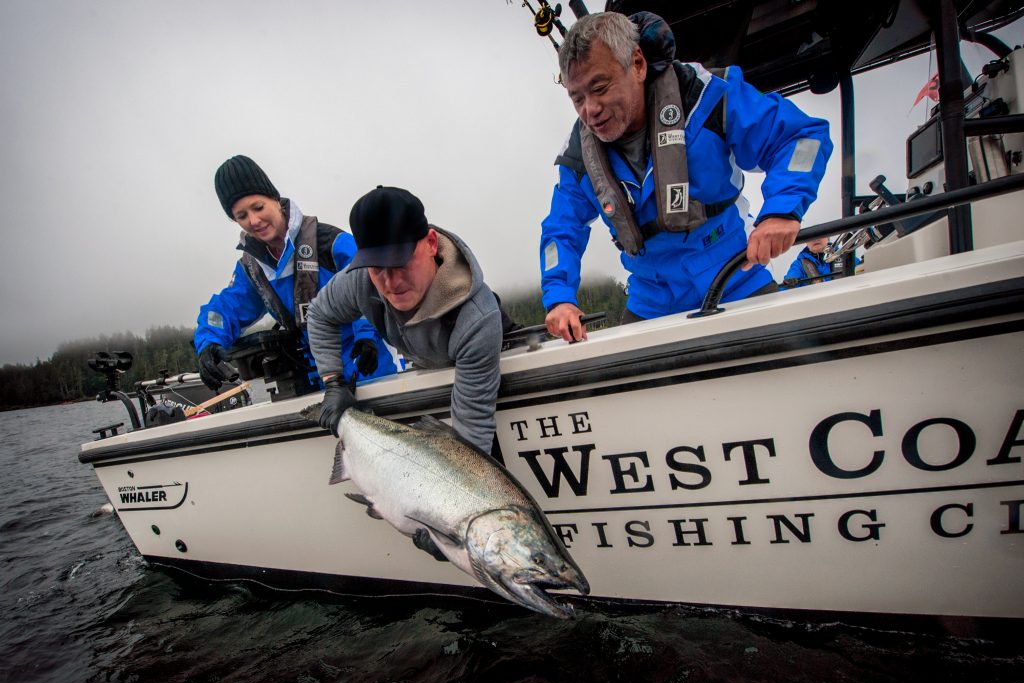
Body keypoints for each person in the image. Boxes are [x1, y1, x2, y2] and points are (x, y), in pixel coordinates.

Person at [540, 11, 833, 342]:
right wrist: (559, 297)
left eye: (600, 87)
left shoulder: (706, 96)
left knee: (796, 364)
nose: (589, 109)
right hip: (650, 303)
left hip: (736, 280)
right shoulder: (579, 155)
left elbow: (801, 139)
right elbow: (560, 230)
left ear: (637, 64)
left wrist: (781, 210)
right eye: (577, 98)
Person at [307, 186, 503, 453]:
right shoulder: (360, 280)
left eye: (400, 264)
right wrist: (333, 381)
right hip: (423, 365)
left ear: (431, 243)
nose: (391, 283)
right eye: (378, 268)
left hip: (482, 359)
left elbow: (472, 429)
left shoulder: (478, 318)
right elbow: (320, 313)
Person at [194, 155, 396, 392]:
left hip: (369, 370)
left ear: (275, 199)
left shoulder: (330, 244)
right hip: (314, 384)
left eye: (258, 207)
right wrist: (208, 343)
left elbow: (372, 283)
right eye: (242, 216)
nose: (254, 220)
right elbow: (227, 307)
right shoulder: (252, 269)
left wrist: (366, 336)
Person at [781, 236, 859, 288]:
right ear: (806, 242)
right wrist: (789, 283)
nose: (815, 239)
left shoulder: (845, 257)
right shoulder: (799, 265)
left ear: (828, 238)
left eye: (820, 236)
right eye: (810, 237)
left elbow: (861, 269)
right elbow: (789, 282)